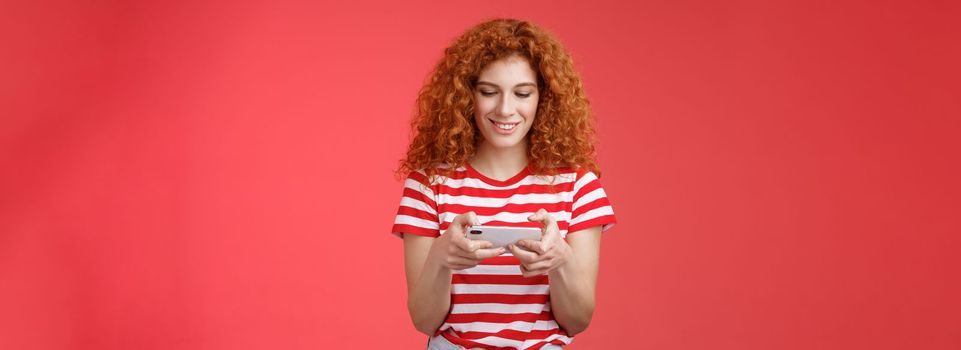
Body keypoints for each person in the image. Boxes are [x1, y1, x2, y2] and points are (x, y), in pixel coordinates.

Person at [391, 18, 617, 349]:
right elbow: (424, 321)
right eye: (488, 92)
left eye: (522, 93)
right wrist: (440, 257)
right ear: (466, 96)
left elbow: (578, 321)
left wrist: (561, 260)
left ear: (545, 98)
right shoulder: (429, 184)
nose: (506, 109)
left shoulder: (578, 185)